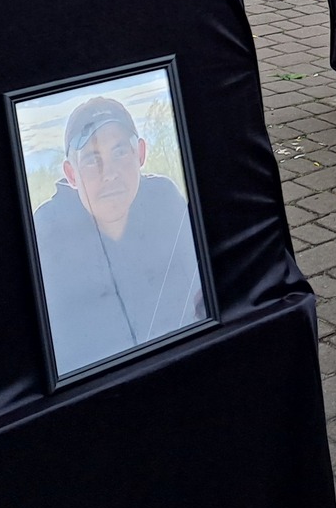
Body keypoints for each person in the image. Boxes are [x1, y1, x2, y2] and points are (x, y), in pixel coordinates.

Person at [29, 95, 206, 374]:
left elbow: (202, 295)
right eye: (91, 159)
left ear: (141, 154)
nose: (108, 173)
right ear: (71, 174)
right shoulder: (46, 234)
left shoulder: (166, 201)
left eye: (120, 152)